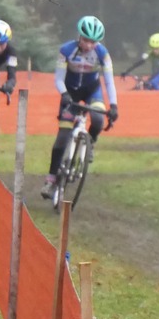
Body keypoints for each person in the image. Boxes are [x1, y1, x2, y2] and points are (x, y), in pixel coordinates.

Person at [46, 15, 118, 196]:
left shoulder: (102, 53)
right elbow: (58, 79)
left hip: (92, 91)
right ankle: (51, 179)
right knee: (62, 136)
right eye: (86, 40)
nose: (89, 45)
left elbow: (109, 81)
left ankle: (90, 143)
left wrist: (114, 105)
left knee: (98, 120)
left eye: (93, 42)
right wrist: (64, 94)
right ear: (79, 36)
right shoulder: (66, 50)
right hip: (70, 93)